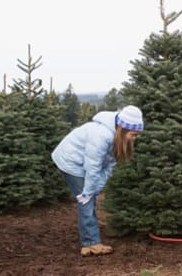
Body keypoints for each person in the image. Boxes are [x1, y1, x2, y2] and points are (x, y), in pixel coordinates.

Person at [51, 105, 144, 257]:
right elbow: (92, 167)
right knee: (85, 200)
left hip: (85, 164)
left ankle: (89, 232)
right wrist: (88, 192)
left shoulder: (118, 138)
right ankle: (90, 243)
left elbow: (108, 167)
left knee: (90, 196)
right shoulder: (101, 135)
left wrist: (96, 188)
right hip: (71, 161)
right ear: (123, 129)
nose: (134, 138)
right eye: (133, 135)